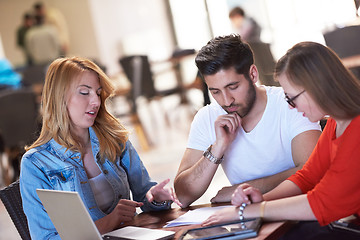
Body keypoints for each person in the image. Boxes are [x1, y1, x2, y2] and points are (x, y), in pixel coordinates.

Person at [202, 42, 360, 240]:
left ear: (317, 87)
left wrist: (247, 212)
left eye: (292, 98)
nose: (292, 107)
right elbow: (307, 177)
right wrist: (261, 200)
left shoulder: (356, 128)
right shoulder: (336, 124)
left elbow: (322, 203)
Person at [20, 56, 181, 239]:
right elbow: (45, 237)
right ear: (59, 98)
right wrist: (110, 221)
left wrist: (156, 197)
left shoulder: (114, 139)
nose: (96, 101)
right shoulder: (36, 163)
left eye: (97, 93)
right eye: (84, 92)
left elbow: (144, 196)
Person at [174, 34, 322, 208]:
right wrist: (217, 149)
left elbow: (313, 172)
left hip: (300, 212)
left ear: (252, 74)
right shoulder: (207, 117)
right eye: (215, 92)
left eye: (233, 87)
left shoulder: (290, 103)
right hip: (250, 220)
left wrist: (244, 189)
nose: (226, 101)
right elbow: (183, 196)